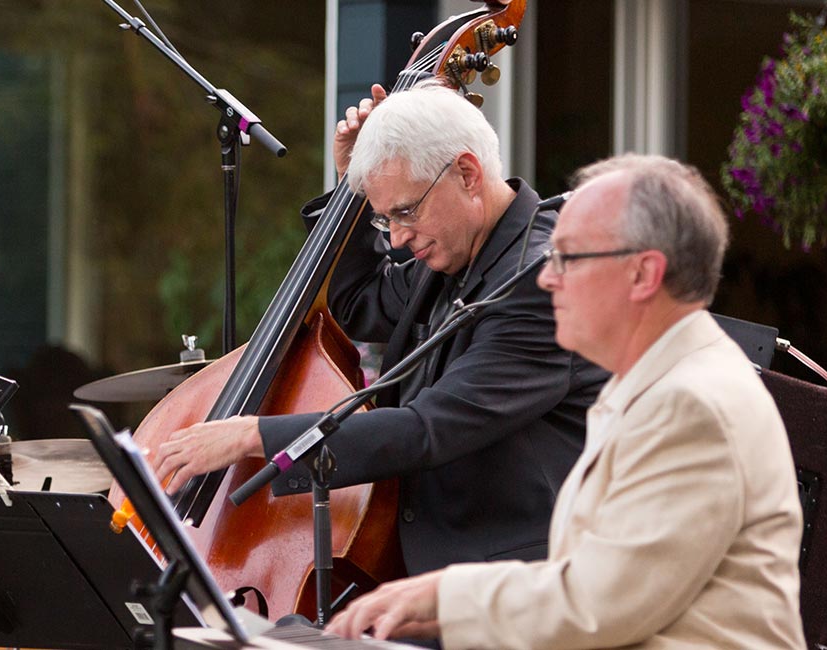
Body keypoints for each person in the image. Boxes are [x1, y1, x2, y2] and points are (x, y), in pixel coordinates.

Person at [323, 154, 806, 648]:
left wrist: (443, 597)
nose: (547, 277)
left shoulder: (691, 405)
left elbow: (602, 604)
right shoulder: (651, 383)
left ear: (643, 275)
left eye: (567, 257)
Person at [151, 82, 608, 580]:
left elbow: (427, 427)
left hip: (520, 586)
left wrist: (253, 435)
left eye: (406, 211)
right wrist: (350, 182)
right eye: (383, 218)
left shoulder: (538, 282)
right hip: (436, 574)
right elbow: (359, 302)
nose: (396, 237)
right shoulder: (455, 253)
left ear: (468, 174)